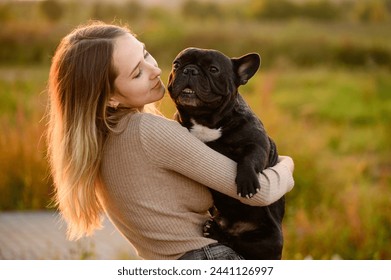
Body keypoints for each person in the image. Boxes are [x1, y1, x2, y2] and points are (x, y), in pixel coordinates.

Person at [46, 21, 295, 260]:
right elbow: (261, 193)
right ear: (110, 98)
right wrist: (286, 164)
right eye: (137, 73)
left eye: (145, 54)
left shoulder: (106, 136)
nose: (154, 70)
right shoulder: (149, 131)